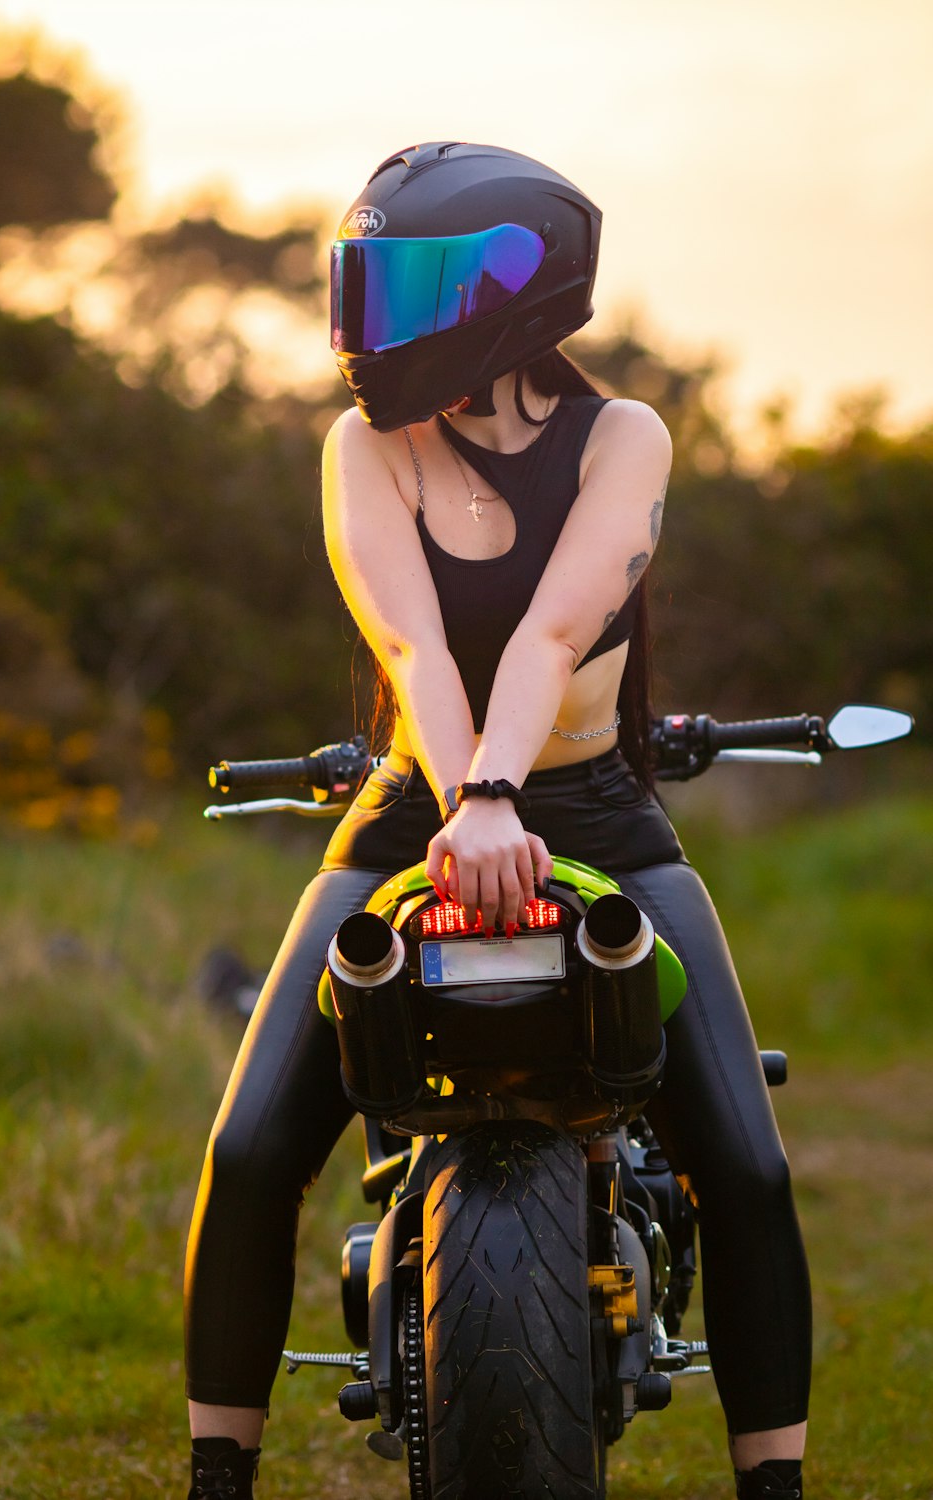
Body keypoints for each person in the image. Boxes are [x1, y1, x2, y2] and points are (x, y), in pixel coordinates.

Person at [182, 141, 811, 1500]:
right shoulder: (368, 443)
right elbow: (412, 645)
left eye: (410, 290)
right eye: (370, 287)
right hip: (415, 805)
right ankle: (215, 1472)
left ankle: (775, 1478)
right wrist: (462, 803)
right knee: (246, 1155)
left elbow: (557, 630)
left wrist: (498, 798)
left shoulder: (623, 437)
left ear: (518, 291)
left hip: (594, 807)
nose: (375, 324)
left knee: (745, 1168)